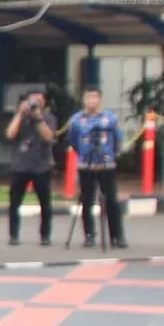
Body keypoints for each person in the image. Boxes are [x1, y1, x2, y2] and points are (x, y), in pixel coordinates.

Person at [64, 87, 122, 249]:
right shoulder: (77, 120)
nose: (91, 101)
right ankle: (89, 235)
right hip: (86, 164)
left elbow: (118, 139)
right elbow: (73, 141)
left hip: (106, 163)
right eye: (88, 98)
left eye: (94, 97)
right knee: (87, 200)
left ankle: (117, 235)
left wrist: (112, 154)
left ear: (99, 99)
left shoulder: (109, 118)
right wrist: (83, 153)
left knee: (111, 200)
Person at [4, 89, 62, 247]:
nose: (35, 103)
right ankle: (13, 235)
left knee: (45, 203)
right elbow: (10, 134)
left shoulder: (48, 118)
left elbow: (49, 137)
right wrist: (19, 114)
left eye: (39, 100)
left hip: (41, 166)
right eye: (32, 100)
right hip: (20, 164)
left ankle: (45, 235)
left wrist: (38, 119)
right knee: (15, 202)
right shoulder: (22, 117)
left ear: (44, 103)